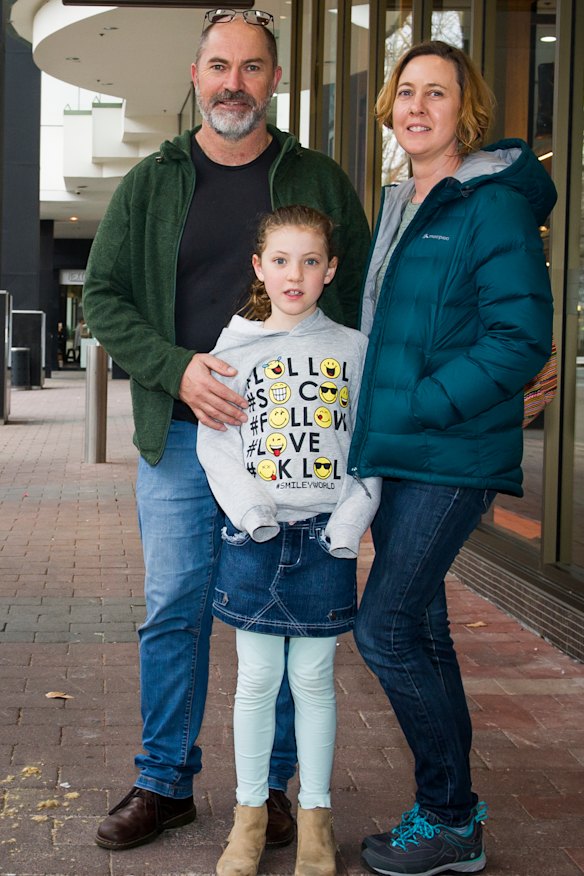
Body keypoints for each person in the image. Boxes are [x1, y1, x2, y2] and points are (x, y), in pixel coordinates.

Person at [82, 8, 371, 852]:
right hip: (181, 437)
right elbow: (103, 298)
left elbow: (360, 302)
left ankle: (272, 790)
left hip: (288, 449)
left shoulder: (317, 180)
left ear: (274, 80)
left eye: (250, 68)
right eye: (219, 67)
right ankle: (164, 781)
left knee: (281, 614)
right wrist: (175, 367)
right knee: (174, 604)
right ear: (197, 77)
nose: (233, 84)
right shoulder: (152, 181)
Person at [346, 41, 556, 876]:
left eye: (437, 92)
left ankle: (450, 816)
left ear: (465, 110)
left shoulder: (490, 204)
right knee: (423, 631)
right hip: (399, 450)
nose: (417, 106)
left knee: (384, 628)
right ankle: (450, 813)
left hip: (449, 451)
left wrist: (421, 404)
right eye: (406, 91)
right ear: (390, 109)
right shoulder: (403, 201)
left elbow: (519, 338)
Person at [197, 205, 381, 876]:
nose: (294, 275)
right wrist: (252, 513)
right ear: (259, 267)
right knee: (256, 679)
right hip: (255, 537)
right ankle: (248, 819)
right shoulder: (232, 350)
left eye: (310, 261)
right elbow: (217, 445)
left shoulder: (354, 349)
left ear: (330, 270)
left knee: (312, 679)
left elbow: (370, 446)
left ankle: (316, 821)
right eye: (280, 260)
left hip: (325, 540)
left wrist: (348, 525)